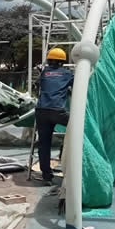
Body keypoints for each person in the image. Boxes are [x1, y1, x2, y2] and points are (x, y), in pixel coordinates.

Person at [35, 48, 74, 186]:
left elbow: (38, 86)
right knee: (78, 129)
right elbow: (77, 87)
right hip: (58, 111)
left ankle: (46, 176)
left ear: (49, 60)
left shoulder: (44, 72)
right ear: (63, 62)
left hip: (41, 111)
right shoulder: (67, 73)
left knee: (44, 144)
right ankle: (65, 155)